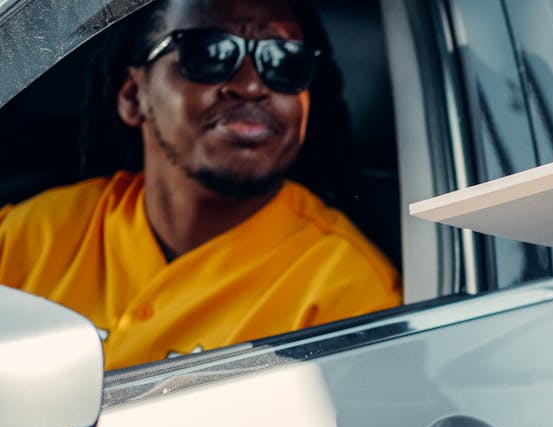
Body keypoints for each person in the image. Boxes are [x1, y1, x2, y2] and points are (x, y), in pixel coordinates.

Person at [0, 0, 401, 370]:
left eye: (284, 61)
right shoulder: (29, 235)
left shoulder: (347, 291)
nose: (250, 85)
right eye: (209, 52)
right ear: (132, 95)